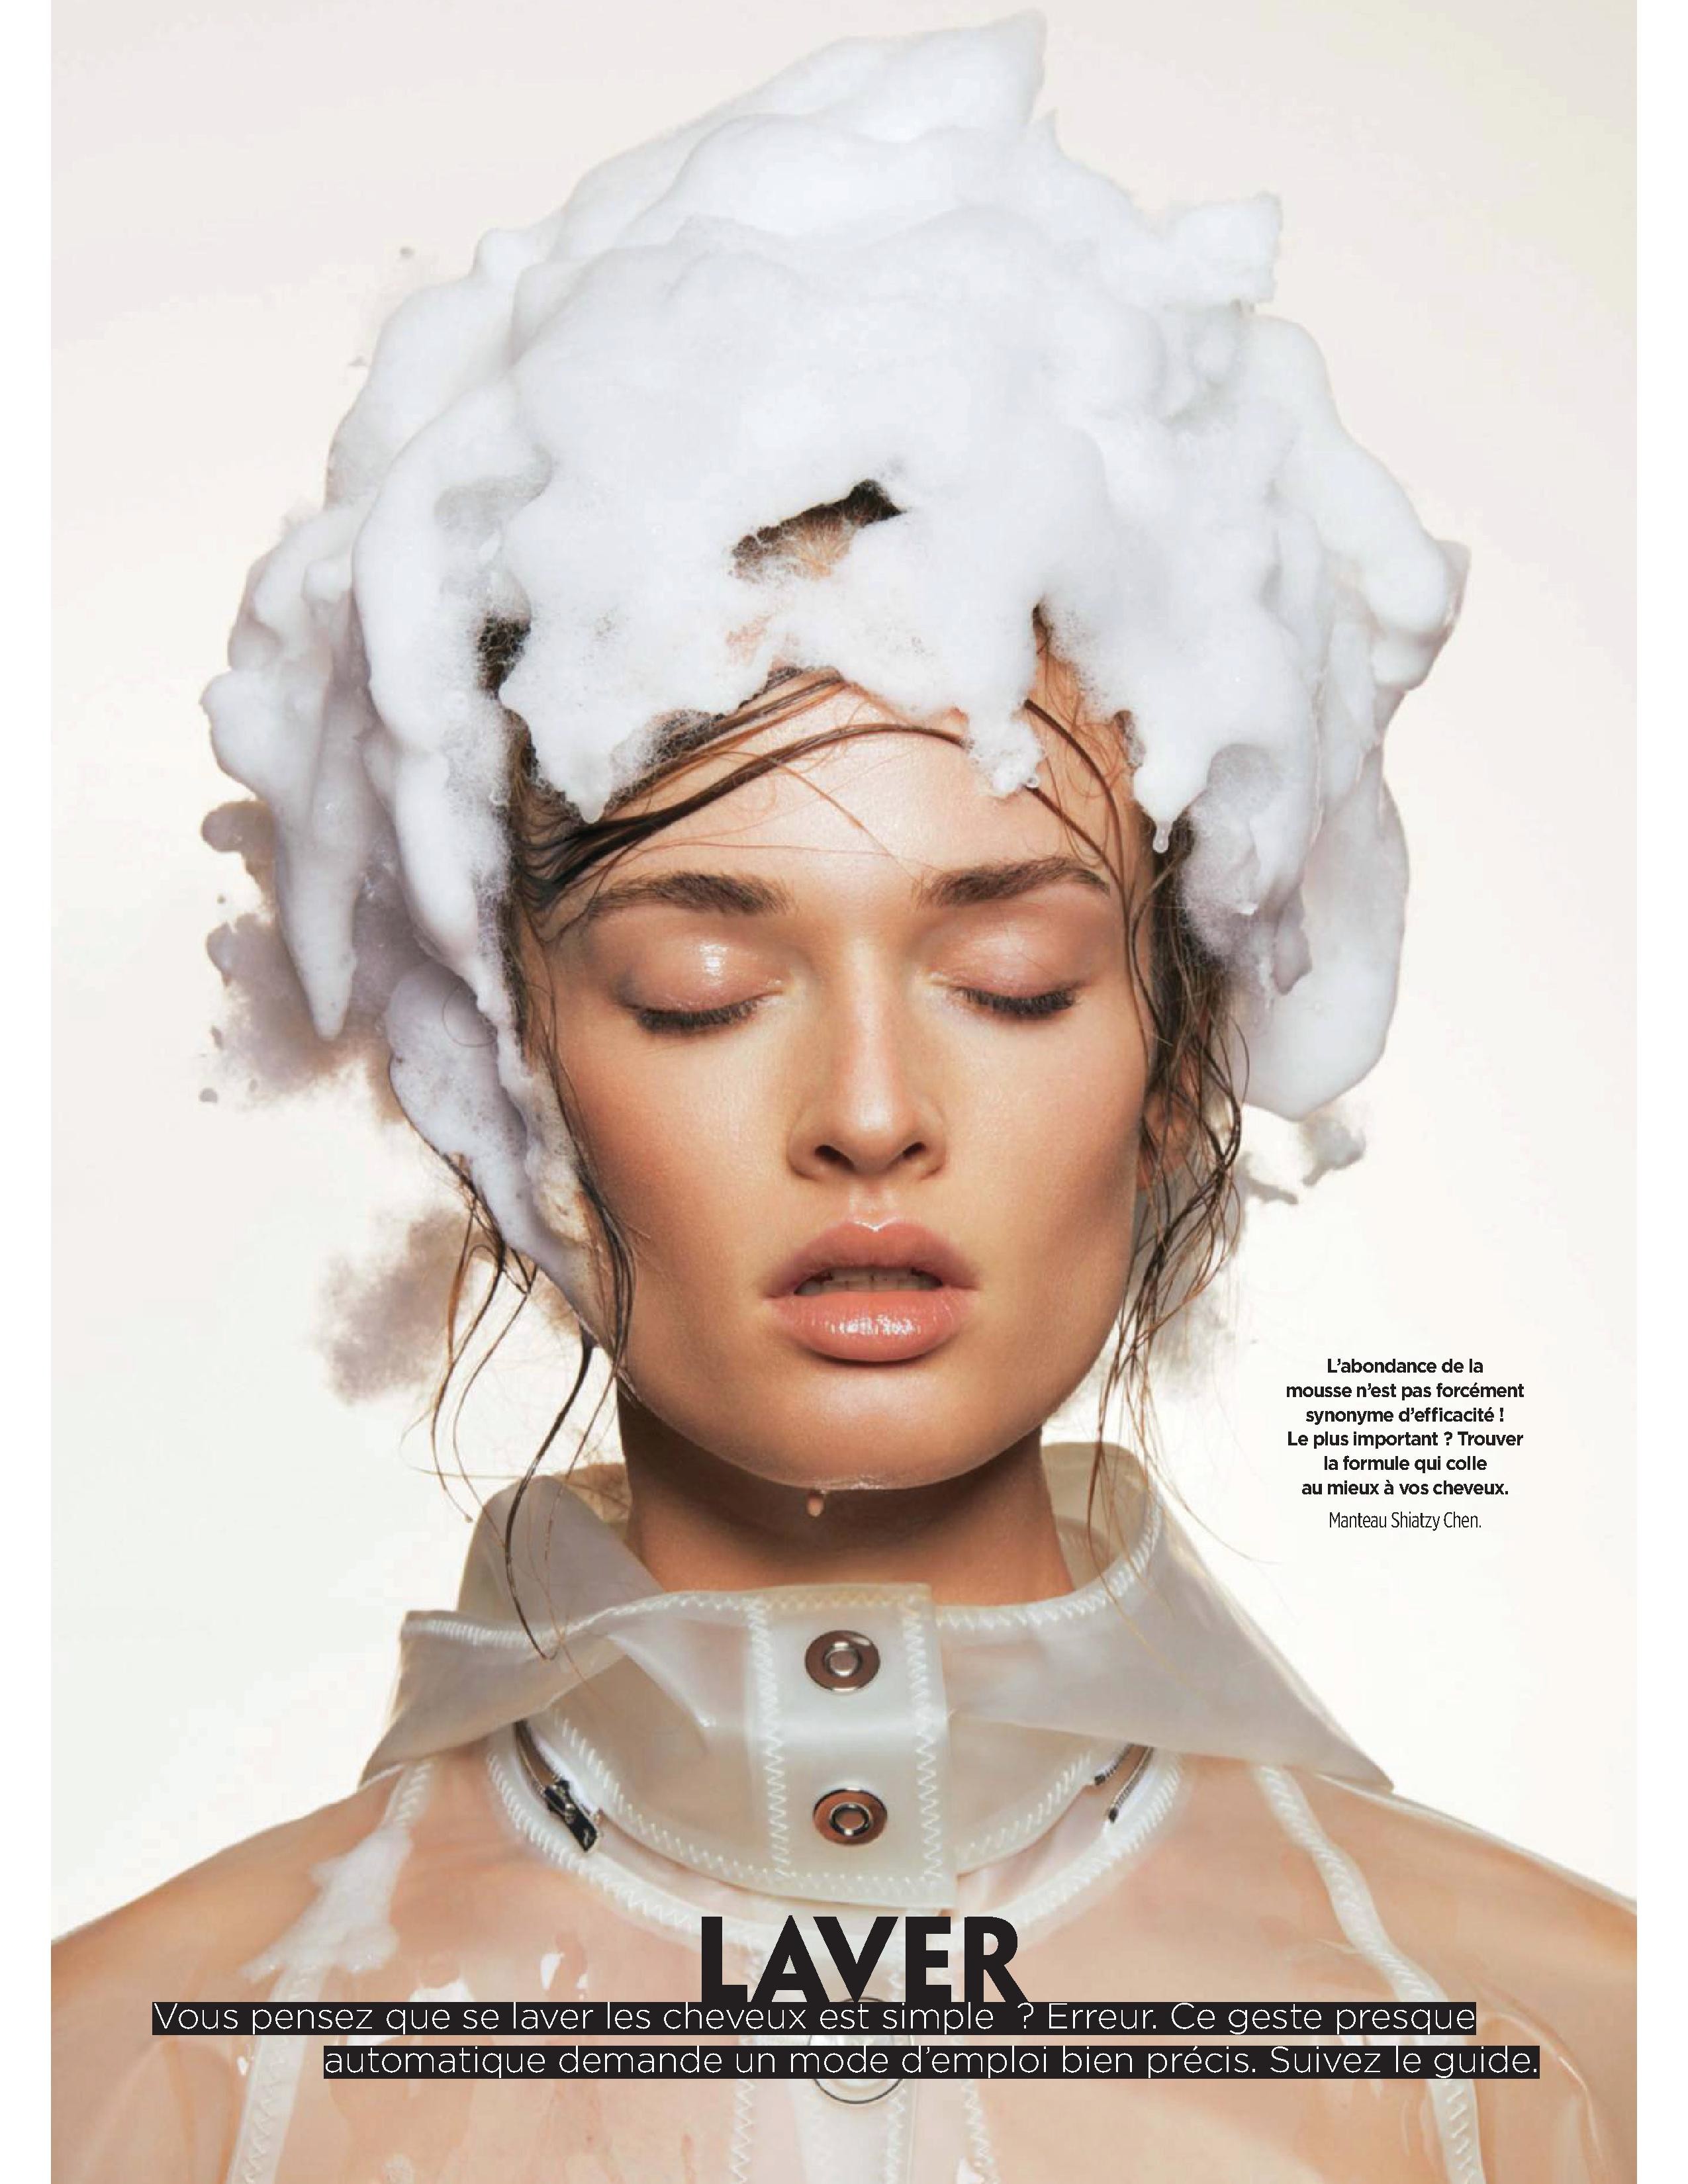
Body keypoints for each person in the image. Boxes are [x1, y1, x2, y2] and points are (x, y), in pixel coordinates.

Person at [52, 19, 1634, 2184]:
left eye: (1012, 978)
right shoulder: (131, 2084)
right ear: (503, 1071)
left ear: (1176, 1057)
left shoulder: (1567, 2059)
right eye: (703, 990)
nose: (871, 1113)